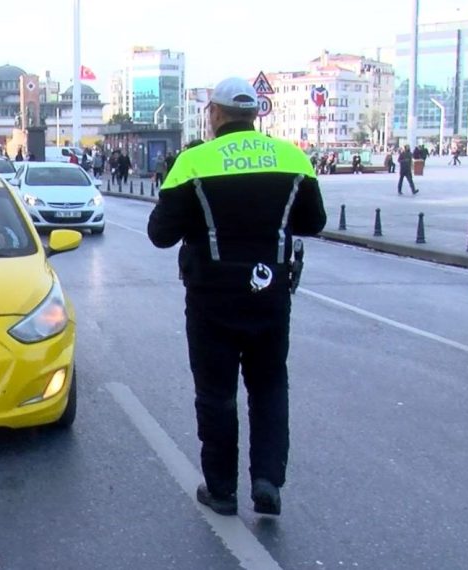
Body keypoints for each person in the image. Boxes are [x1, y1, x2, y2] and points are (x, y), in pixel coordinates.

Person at [146, 76, 326, 517]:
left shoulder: (193, 162)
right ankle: (267, 481)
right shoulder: (292, 158)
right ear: (254, 114)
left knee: (216, 393)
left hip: (212, 299)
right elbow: (313, 222)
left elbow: (159, 234)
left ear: (215, 114)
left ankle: (222, 490)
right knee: (269, 385)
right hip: (270, 293)